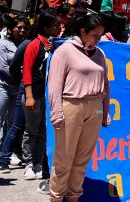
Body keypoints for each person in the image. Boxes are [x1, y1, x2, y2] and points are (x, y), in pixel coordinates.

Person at [47, 13, 110, 202]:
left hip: (95, 107)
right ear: (83, 32)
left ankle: (74, 197)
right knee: (64, 158)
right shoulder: (65, 51)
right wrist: (56, 112)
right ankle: (56, 197)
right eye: (95, 35)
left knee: (82, 159)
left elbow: (105, 85)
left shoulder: (100, 54)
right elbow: (55, 84)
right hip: (71, 105)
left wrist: (106, 111)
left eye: (101, 35)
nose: (99, 39)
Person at [22, 10, 63, 189]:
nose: (59, 28)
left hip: (49, 95)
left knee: (44, 131)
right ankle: (29, 163)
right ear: (46, 27)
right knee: (31, 130)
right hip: (35, 94)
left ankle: (39, 162)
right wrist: (29, 97)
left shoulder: (55, 45)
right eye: (56, 25)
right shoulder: (34, 45)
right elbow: (27, 72)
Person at [0, 15, 28, 174]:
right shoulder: (3, 44)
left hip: (18, 88)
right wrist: (22, 74)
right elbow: (4, 67)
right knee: (0, 118)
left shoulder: (25, 44)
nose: (22, 30)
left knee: (12, 123)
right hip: (3, 86)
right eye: (19, 28)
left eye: (24, 28)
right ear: (10, 29)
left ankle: (6, 153)